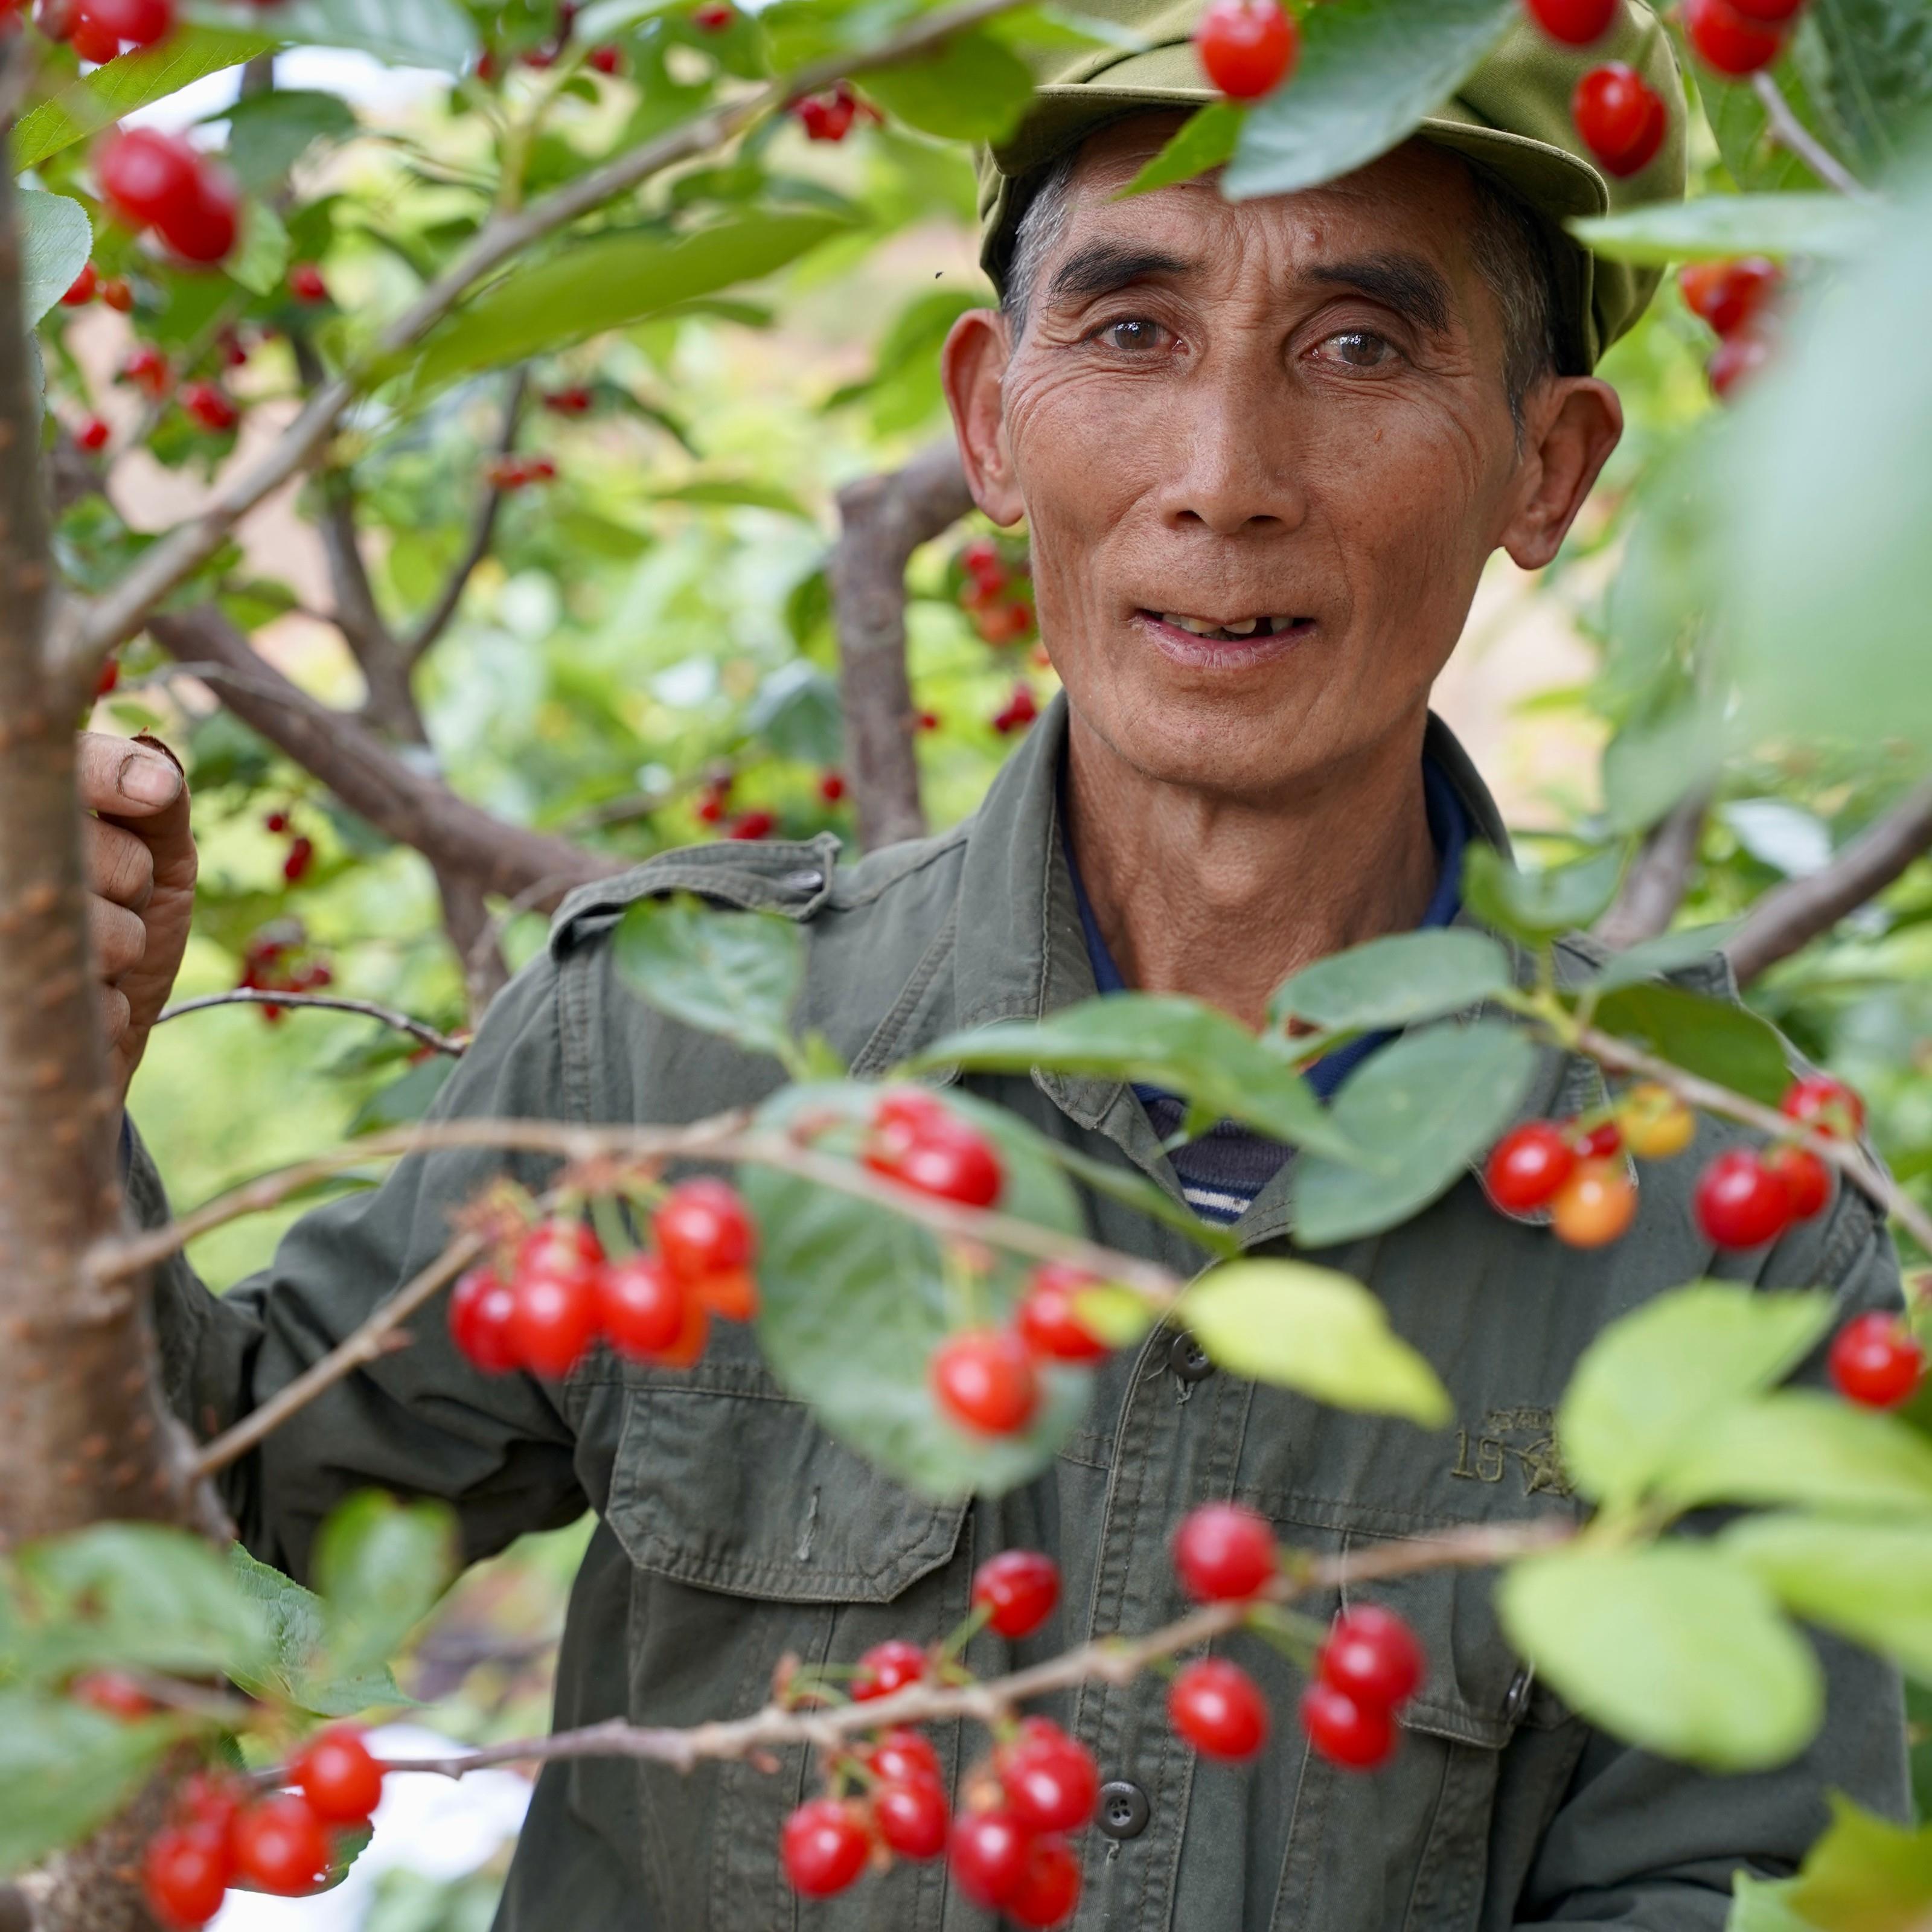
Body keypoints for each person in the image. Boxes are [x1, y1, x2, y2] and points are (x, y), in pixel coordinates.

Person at [77, 2, 1906, 1925]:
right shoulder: (667, 1057)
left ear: (1549, 470)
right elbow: (206, 1573)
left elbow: (1733, 1887)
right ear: (987, 420)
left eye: (1360, 346)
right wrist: (48, 1109)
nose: (1228, 473)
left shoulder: (1718, 1215)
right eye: (1132, 331)